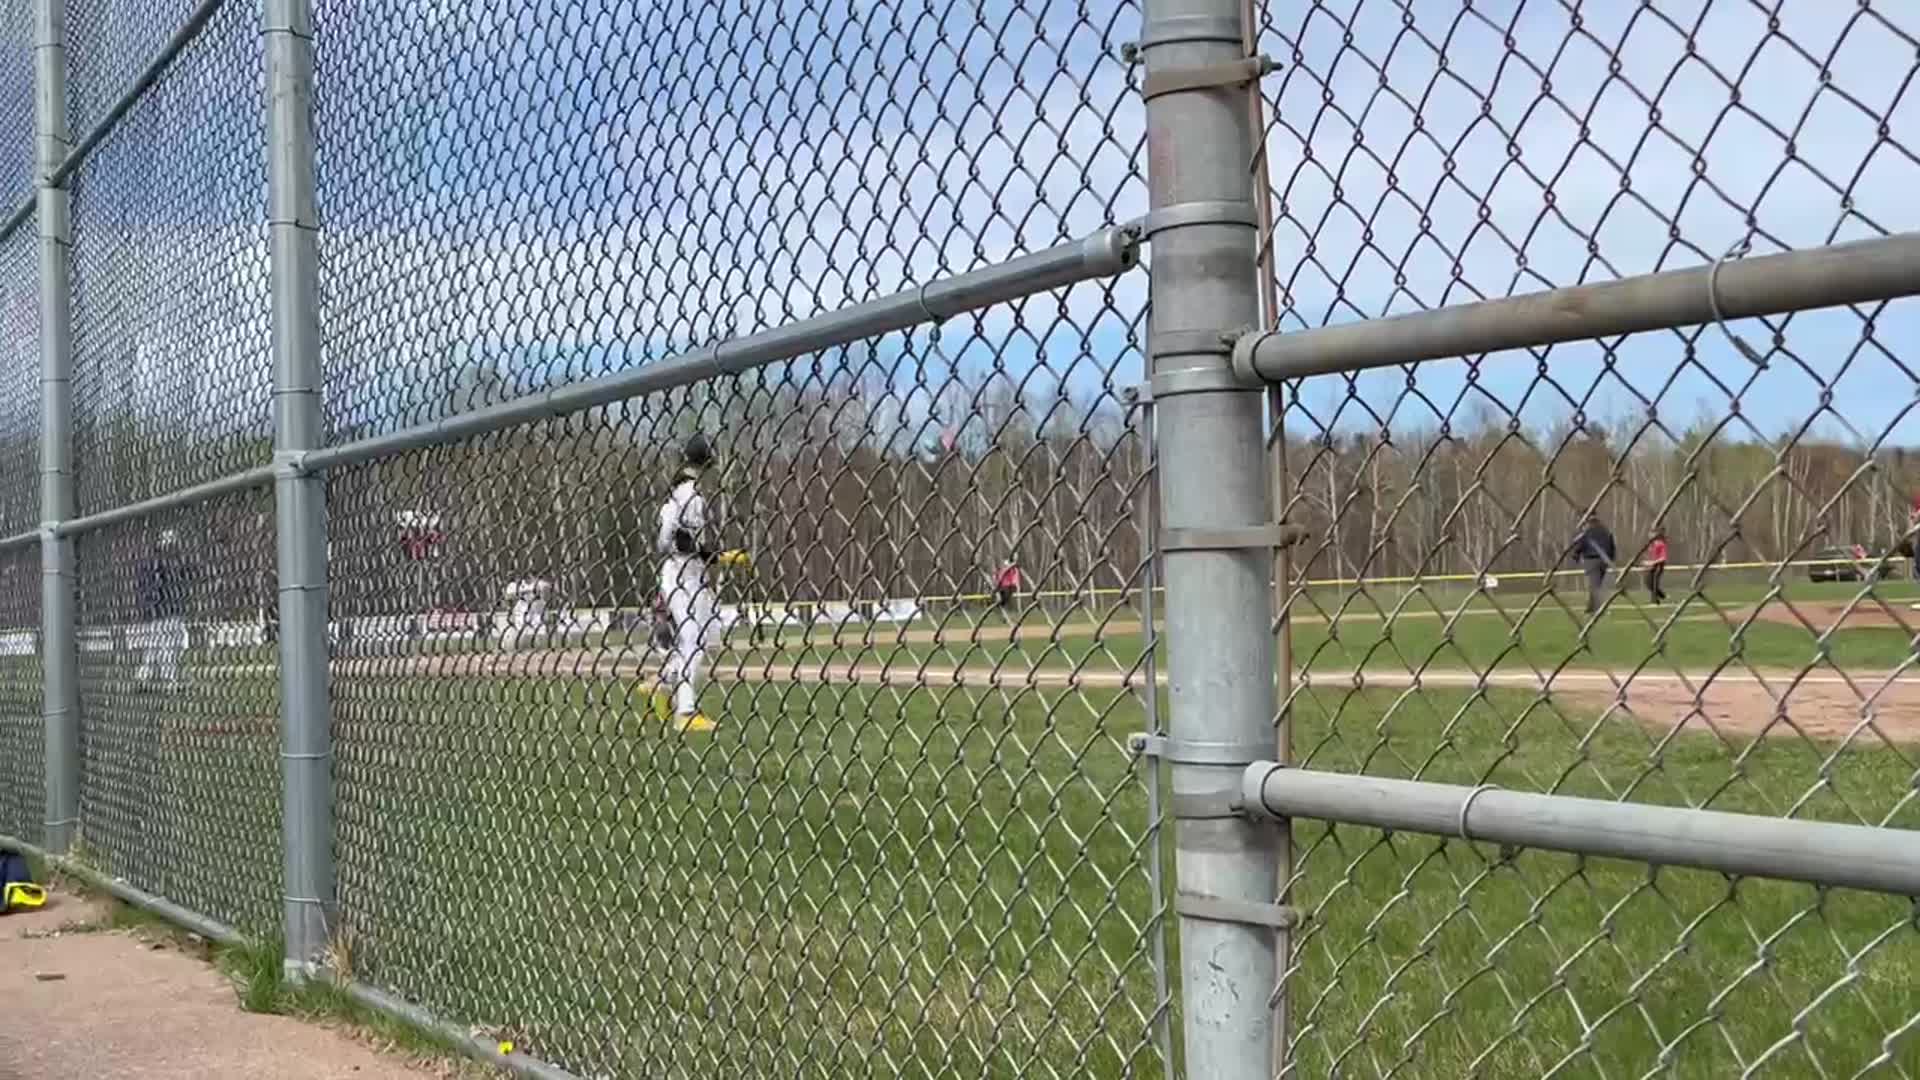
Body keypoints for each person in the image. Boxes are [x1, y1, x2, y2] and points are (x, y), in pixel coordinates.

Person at [650, 434, 749, 733]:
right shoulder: (690, 496)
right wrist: (722, 557)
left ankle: (664, 684)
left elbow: (668, 540)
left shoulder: (679, 494)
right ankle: (686, 713)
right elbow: (682, 543)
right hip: (684, 575)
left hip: (686, 574)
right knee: (692, 640)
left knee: (700, 639)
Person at [135, 528, 189, 691]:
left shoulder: (173, 563)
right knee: (165, 646)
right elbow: (152, 587)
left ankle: (144, 678)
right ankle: (168, 680)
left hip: (167, 609)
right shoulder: (158, 564)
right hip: (163, 610)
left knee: (157, 647)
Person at [1570, 513, 1616, 616]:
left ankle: (1599, 608)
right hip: (1604, 560)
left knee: (1594, 585)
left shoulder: (1587, 532)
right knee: (1596, 584)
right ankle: (1591, 607)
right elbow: (1612, 545)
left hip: (1591, 560)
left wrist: (1576, 555)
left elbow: (1581, 544)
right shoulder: (1606, 530)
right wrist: (1611, 559)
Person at [1644, 528, 1669, 605]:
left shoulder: (1661, 544)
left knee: (1654, 583)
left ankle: (1655, 600)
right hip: (1652, 566)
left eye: (1652, 533)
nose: (1649, 535)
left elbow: (1663, 558)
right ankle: (1663, 595)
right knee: (1648, 583)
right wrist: (1647, 562)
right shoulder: (1651, 544)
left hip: (1658, 566)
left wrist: (1652, 562)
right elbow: (1651, 555)